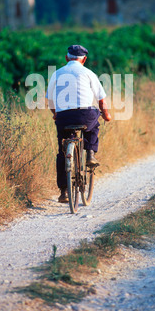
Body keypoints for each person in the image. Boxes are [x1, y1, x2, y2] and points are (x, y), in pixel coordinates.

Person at [46, 44, 112, 203]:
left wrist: (56, 114)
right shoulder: (89, 73)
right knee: (94, 122)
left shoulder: (57, 73)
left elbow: (49, 99)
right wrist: (106, 114)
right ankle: (90, 153)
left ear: (66, 58)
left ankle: (64, 192)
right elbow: (101, 100)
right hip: (85, 115)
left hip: (63, 117)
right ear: (84, 59)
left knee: (62, 151)